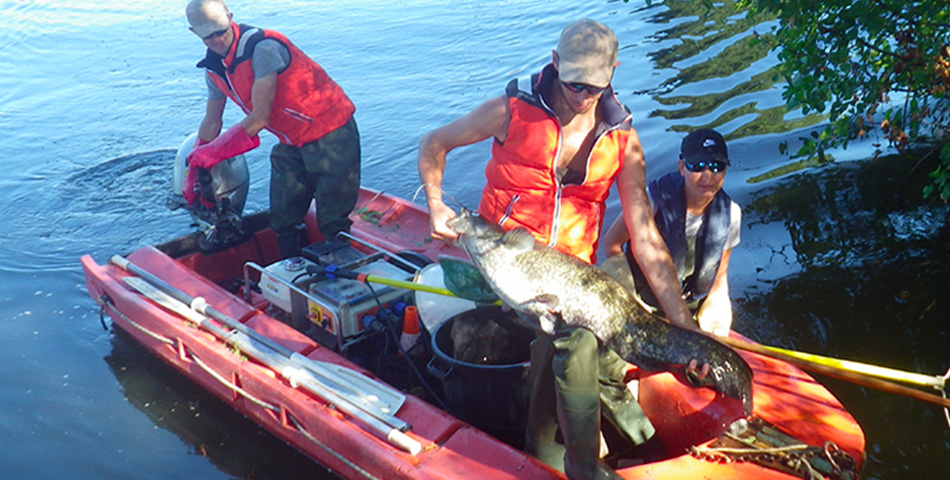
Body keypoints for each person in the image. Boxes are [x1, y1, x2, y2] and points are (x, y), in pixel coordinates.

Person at [418, 18, 704, 479]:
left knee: (587, 329)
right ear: (554, 65)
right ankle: (584, 467)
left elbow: (645, 238)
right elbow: (435, 142)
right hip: (504, 258)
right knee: (578, 335)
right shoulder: (509, 112)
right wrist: (434, 204)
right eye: (574, 83)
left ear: (613, 72)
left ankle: (546, 452)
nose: (583, 95)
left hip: (569, 273)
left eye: (595, 86)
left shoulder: (623, 141)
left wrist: (688, 329)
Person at [183, 0, 361, 258]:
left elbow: (259, 119)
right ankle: (292, 270)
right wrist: (195, 164)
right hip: (292, 141)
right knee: (282, 217)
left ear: (230, 17)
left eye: (221, 30)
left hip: (332, 132)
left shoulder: (262, 49)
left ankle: (340, 278)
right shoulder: (213, 71)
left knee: (332, 220)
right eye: (208, 36)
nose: (218, 39)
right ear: (194, 33)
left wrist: (213, 154)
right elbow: (212, 122)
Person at [602, 129, 741, 337]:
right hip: (643, 302)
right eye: (697, 166)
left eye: (716, 166)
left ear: (726, 169)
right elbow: (612, 244)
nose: (707, 176)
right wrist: (630, 304)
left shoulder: (731, 214)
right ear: (681, 168)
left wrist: (715, 331)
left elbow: (719, 282)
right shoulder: (652, 201)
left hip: (688, 307)